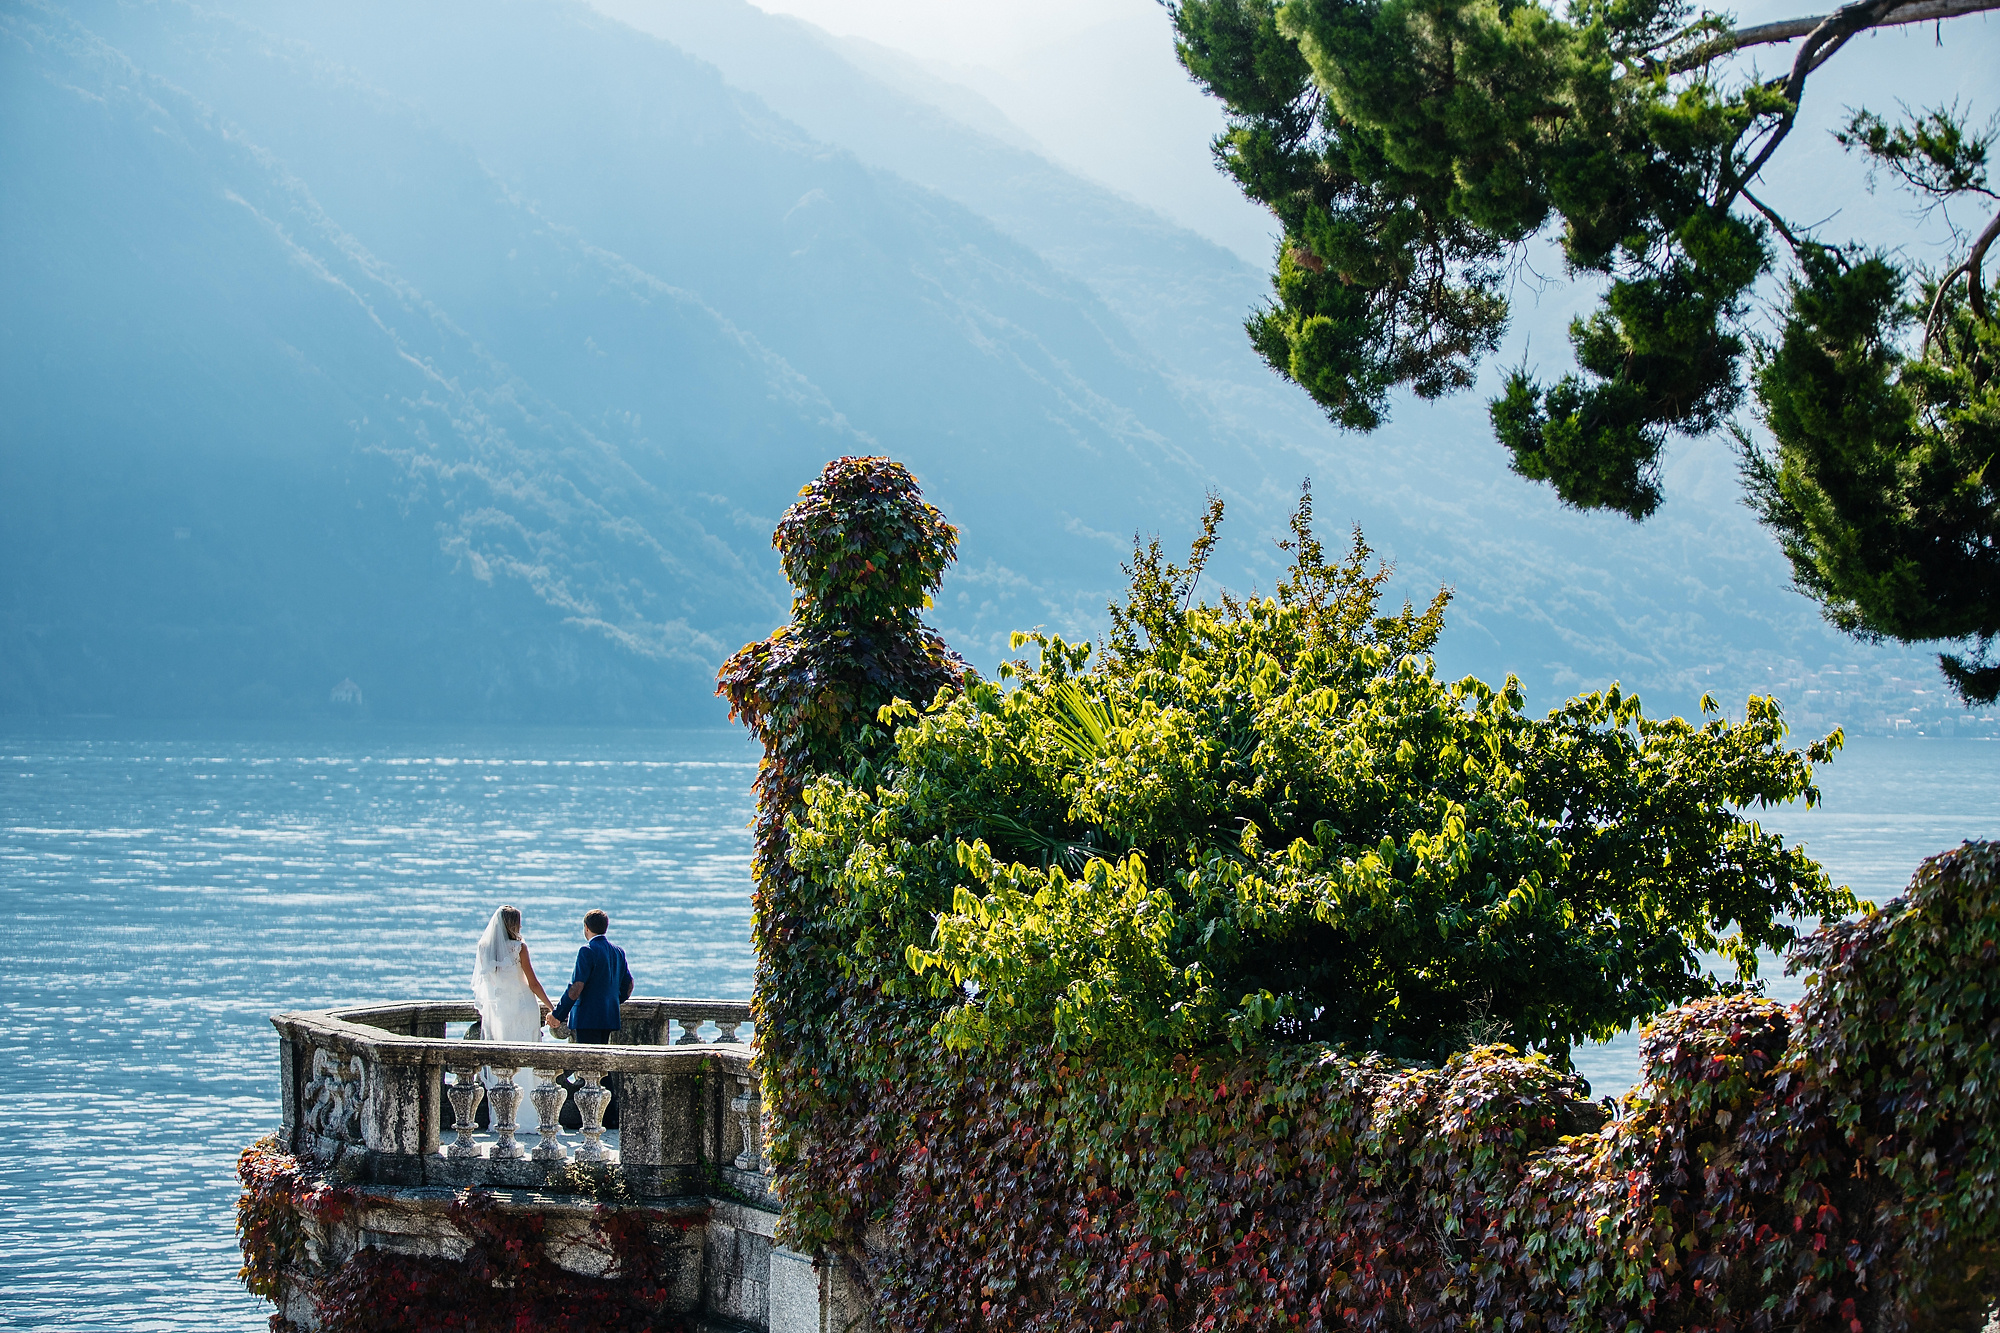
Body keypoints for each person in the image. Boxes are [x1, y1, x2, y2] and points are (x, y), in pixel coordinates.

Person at [470, 905, 556, 1041]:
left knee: (503, 1053)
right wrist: (552, 1008)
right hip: (523, 1007)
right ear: (512, 925)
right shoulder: (519, 948)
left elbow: (489, 981)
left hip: (500, 1010)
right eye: (518, 923)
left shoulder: (484, 948)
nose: (520, 927)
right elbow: (533, 984)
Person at [551, 908, 632, 1044]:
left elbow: (576, 987)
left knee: (588, 1062)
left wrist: (558, 1014)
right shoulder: (618, 952)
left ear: (586, 927)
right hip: (608, 1017)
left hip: (587, 1018)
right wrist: (612, 1001)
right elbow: (629, 985)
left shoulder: (587, 950)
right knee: (601, 1060)